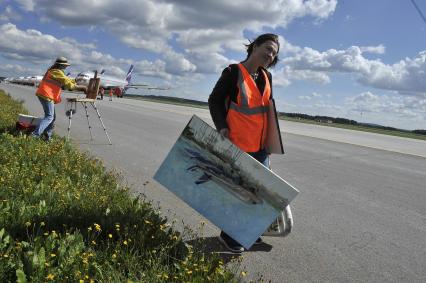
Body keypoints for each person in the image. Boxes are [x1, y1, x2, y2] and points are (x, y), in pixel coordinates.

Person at [208, 33, 280, 253]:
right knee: (239, 193)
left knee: (258, 194)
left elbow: (266, 111)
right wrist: (222, 126)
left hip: (261, 147)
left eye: (274, 53)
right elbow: (214, 100)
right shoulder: (233, 72)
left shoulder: (266, 77)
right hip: (238, 145)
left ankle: (249, 232)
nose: (270, 55)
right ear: (255, 46)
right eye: (268, 48)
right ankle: (229, 238)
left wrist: (271, 141)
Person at [32, 57, 87, 141]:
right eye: (65, 65)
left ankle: (47, 137)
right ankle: (35, 135)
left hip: (45, 94)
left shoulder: (55, 71)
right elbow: (68, 84)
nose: (66, 67)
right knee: (49, 117)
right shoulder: (56, 72)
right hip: (46, 95)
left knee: (52, 117)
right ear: (61, 65)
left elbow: (66, 80)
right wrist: (82, 88)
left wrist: (75, 80)